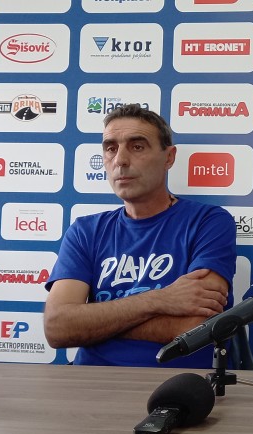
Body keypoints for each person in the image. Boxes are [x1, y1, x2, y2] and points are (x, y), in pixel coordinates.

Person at [43, 104, 236, 368]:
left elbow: (195, 327)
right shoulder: (85, 231)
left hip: (177, 385)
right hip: (90, 382)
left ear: (169, 158)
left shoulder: (209, 222)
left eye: (137, 146)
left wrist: (95, 324)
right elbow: (58, 327)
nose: (120, 160)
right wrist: (162, 299)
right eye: (111, 148)